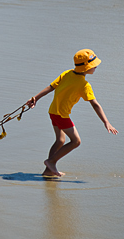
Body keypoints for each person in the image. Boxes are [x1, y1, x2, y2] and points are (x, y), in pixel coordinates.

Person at [26, 49, 118, 178]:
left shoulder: (67, 73)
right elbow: (95, 104)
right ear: (87, 67)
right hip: (62, 115)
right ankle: (51, 162)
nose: (96, 67)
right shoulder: (84, 85)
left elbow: (50, 87)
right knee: (76, 141)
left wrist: (35, 98)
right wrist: (106, 122)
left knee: (60, 140)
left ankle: (48, 171)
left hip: (53, 111)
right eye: (94, 65)